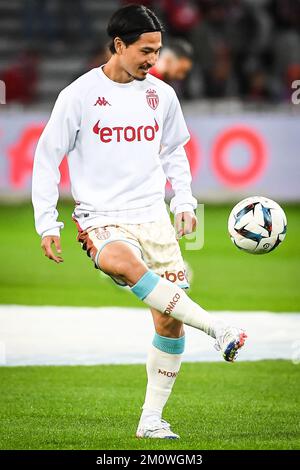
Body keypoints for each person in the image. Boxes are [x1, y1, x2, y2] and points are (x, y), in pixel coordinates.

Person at [32, 4, 247, 440]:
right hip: (101, 217)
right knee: (122, 262)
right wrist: (47, 223)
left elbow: (173, 151)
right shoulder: (78, 95)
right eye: (146, 50)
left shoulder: (162, 95)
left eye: (158, 50)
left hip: (153, 217)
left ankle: (150, 421)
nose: (154, 59)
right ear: (118, 45)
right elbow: (46, 158)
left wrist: (184, 199)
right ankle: (217, 326)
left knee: (168, 324)